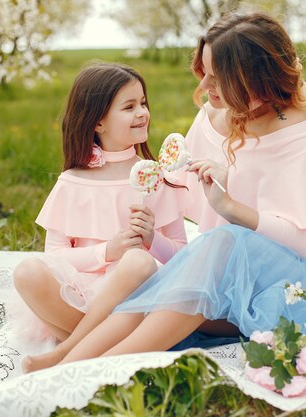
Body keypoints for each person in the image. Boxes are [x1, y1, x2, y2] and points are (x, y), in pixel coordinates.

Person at [48, 11, 306, 359]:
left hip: (292, 280)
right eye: (204, 73)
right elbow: (176, 196)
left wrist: (230, 205)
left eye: (216, 79)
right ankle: (69, 355)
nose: (203, 88)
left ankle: (97, 362)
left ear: (252, 78)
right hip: (229, 267)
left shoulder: (290, 131)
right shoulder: (214, 114)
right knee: (171, 284)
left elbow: (302, 242)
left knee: (221, 245)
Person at [13, 63, 187, 372]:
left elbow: (184, 259)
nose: (142, 113)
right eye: (129, 106)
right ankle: (97, 347)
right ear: (98, 122)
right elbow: (55, 256)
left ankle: (66, 352)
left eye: (143, 103)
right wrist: (108, 251)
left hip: (138, 301)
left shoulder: (156, 177)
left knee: (138, 261)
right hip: (82, 298)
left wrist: (152, 239)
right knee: (27, 271)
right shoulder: (73, 181)